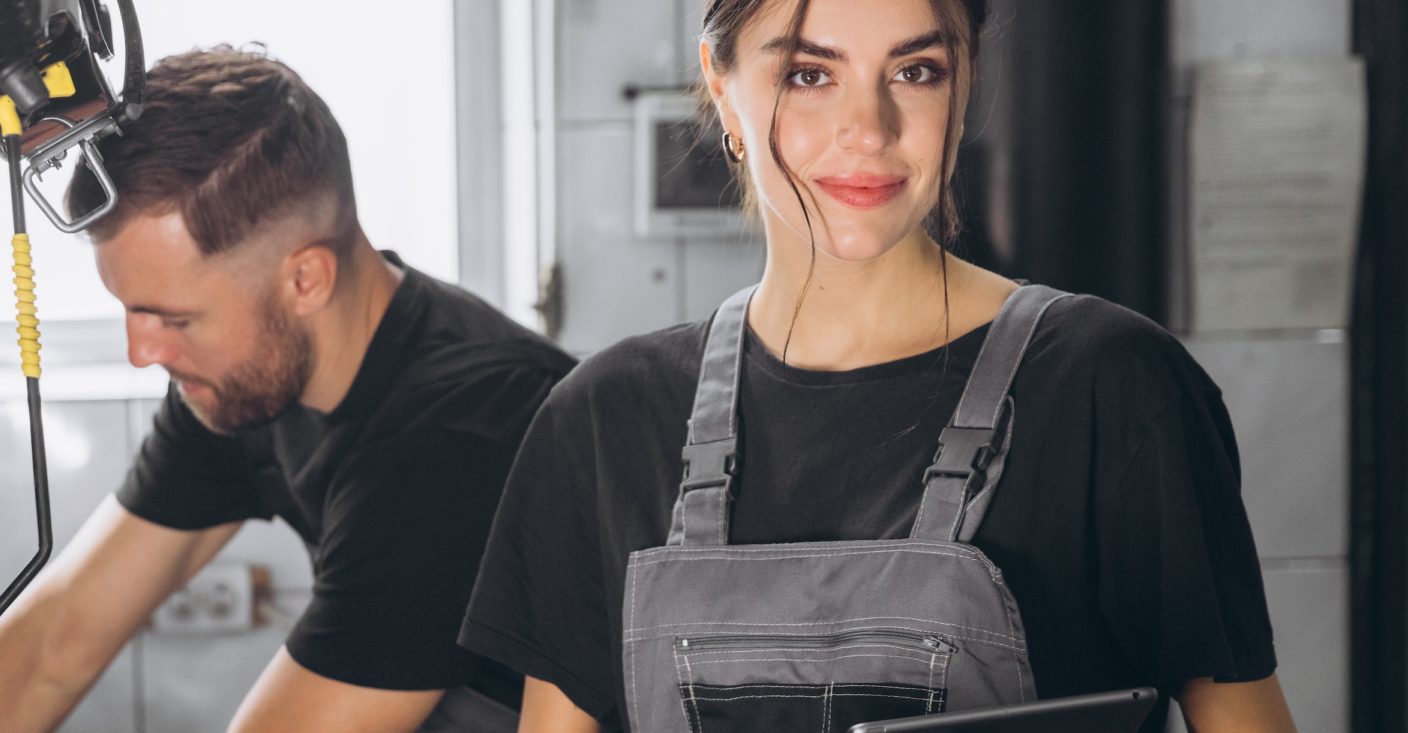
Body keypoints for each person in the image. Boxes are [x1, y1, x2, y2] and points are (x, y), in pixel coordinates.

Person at [457, 1, 1299, 732]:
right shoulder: (604, 420)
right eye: (809, 74)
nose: (869, 129)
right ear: (721, 87)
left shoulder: (1112, 386)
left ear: (964, 82)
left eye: (917, 70)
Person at [0, 45, 573, 733]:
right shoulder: (243, 379)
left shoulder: (459, 440)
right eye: (132, 309)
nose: (142, 352)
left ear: (305, 279)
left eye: (175, 318)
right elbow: (56, 640)